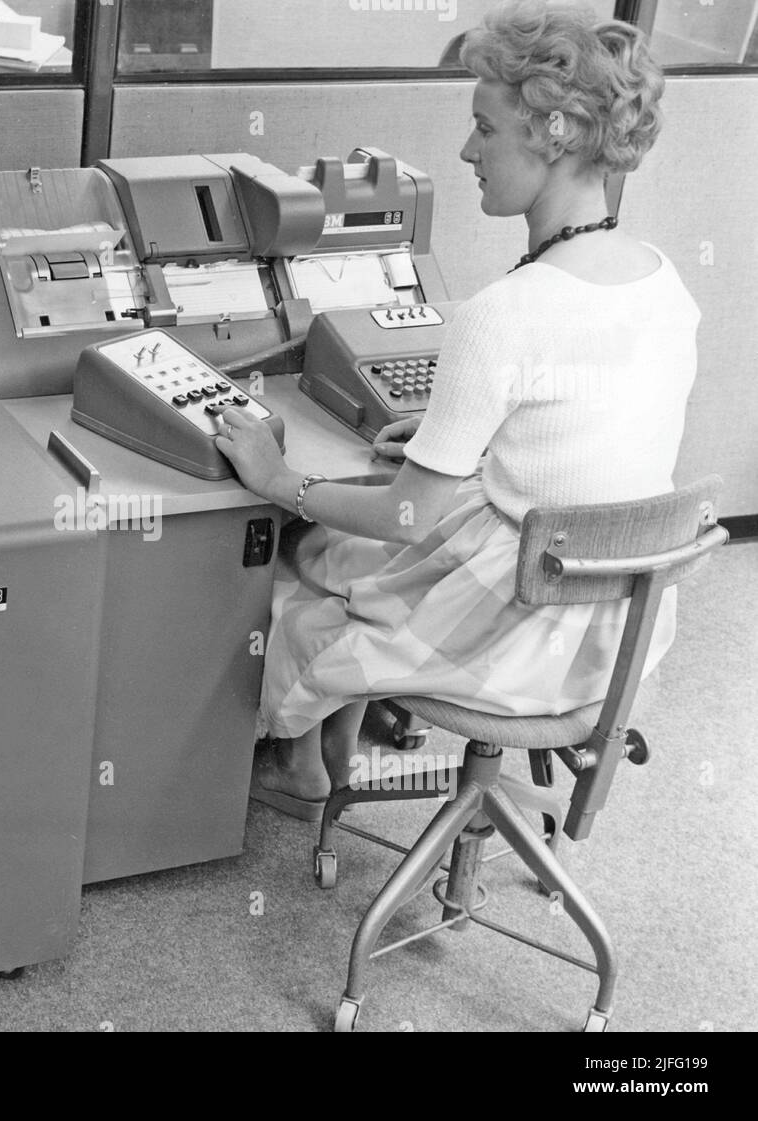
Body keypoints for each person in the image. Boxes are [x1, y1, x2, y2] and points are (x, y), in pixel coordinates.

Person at [215, 0, 696, 820]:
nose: (467, 150)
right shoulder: (661, 280)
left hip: (520, 629)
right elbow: (581, 443)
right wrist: (456, 439)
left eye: (485, 127)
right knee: (353, 549)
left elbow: (405, 516)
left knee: (303, 559)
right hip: (614, 633)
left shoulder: (506, 311)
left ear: (550, 134)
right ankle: (332, 749)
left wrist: (279, 478)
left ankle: (300, 765)